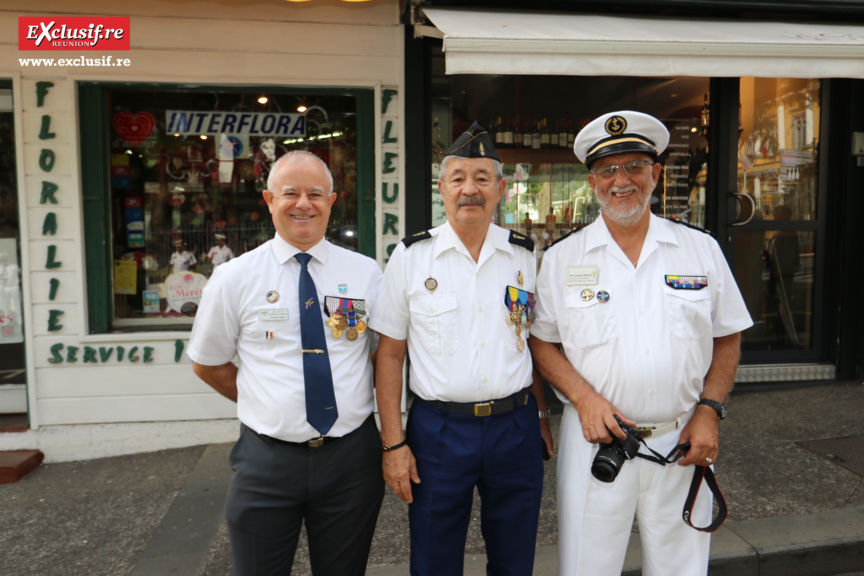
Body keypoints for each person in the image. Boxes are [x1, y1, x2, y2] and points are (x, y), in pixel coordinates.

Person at [528, 111, 753, 576]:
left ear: (656, 174)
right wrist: (584, 398)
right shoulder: (562, 258)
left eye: (634, 166)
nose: (621, 180)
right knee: (587, 568)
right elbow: (542, 343)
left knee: (680, 570)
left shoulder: (700, 249)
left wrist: (710, 411)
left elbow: (727, 334)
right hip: (596, 443)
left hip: (682, 439)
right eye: (608, 170)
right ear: (592, 182)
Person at [187, 150, 384, 576]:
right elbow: (208, 363)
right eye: (291, 193)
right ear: (269, 199)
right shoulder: (234, 278)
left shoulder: (366, 273)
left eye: (316, 193)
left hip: (351, 461)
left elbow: (380, 353)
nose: (303, 204)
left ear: (332, 201)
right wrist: (266, 401)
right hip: (267, 461)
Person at [371, 122, 554, 576]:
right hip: (439, 431)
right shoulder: (411, 257)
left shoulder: (524, 256)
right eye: (458, 178)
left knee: (515, 559)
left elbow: (528, 342)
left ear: (500, 190)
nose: (469, 189)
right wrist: (393, 442)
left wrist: (541, 415)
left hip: (515, 427)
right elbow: (389, 355)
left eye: (482, 178)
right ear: (442, 189)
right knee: (434, 559)